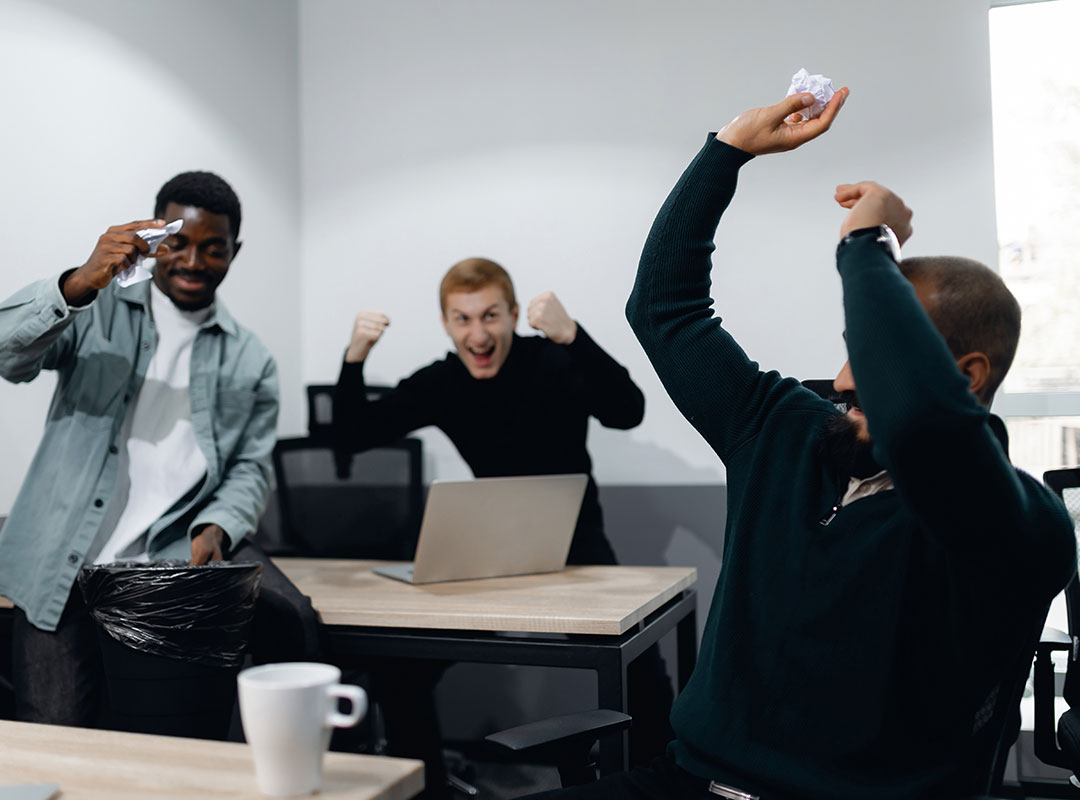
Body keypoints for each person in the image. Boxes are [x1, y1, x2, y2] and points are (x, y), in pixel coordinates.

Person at [521, 88, 1078, 800]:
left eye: (872, 356)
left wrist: (865, 246)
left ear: (965, 379)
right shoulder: (784, 428)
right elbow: (665, 309)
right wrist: (727, 151)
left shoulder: (1016, 525)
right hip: (689, 782)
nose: (845, 378)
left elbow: (928, 434)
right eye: (851, 349)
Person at [0, 172, 314, 726]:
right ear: (157, 235)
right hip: (62, 571)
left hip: (166, 575)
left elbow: (251, 468)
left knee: (167, 741)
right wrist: (78, 283)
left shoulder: (251, 359)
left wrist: (218, 526)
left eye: (214, 248)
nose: (193, 261)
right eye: (179, 242)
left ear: (235, 251)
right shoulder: (97, 310)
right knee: (55, 743)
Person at [334, 258, 673, 793]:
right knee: (401, 670)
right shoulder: (443, 381)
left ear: (514, 315)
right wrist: (354, 358)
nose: (478, 333)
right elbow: (350, 434)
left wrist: (574, 336)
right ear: (446, 324)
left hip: (578, 550)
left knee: (640, 674)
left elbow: (627, 410)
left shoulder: (552, 360)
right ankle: (424, 790)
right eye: (463, 319)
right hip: (489, 559)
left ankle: (663, 785)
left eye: (490, 316)